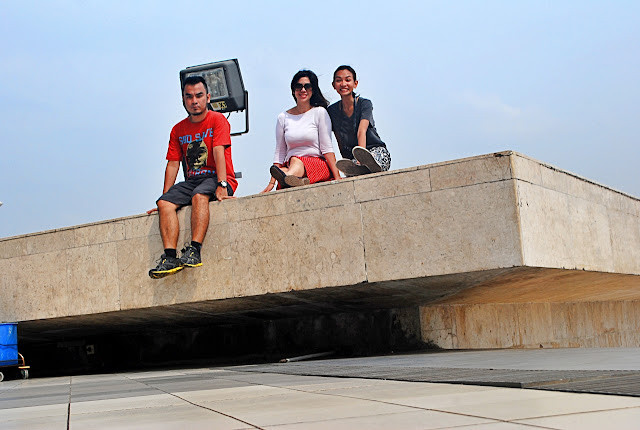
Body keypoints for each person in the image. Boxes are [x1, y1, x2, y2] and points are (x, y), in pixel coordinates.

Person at [148, 75, 237, 279]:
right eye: (189, 97)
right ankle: (170, 257)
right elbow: (172, 164)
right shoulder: (178, 129)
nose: (194, 101)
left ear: (208, 97)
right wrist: (167, 195)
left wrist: (223, 184)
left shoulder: (217, 120)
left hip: (217, 177)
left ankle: (194, 251)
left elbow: (218, 152)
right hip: (193, 181)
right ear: (183, 100)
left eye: (198, 96)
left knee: (199, 195)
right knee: (164, 204)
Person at [262, 70, 340, 192]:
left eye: (307, 86)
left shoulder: (319, 112)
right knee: (291, 162)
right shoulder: (283, 117)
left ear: (312, 90)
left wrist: (337, 176)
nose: (303, 90)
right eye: (299, 87)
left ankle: (287, 178)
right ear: (293, 90)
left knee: (295, 161)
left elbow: (327, 148)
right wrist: (271, 183)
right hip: (292, 164)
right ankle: (294, 179)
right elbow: (280, 151)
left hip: (317, 164)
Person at [327, 65, 391, 176]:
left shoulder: (364, 104)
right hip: (354, 158)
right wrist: (348, 158)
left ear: (355, 83)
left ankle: (370, 166)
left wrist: (361, 156)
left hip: (374, 151)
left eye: (348, 80)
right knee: (350, 166)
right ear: (334, 85)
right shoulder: (332, 111)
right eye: (339, 80)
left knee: (374, 159)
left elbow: (362, 130)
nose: (343, 84)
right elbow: (339, 138)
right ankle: (362, 169)